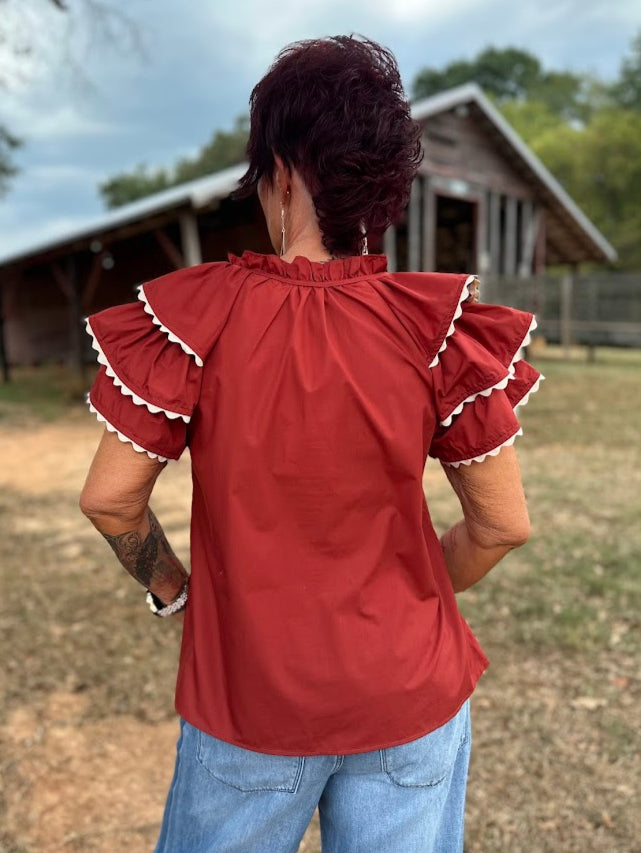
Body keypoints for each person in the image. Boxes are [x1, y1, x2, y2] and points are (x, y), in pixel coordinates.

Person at [79, 34, 543, 853]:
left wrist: (175, 592)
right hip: (413, 694)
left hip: (250, 702)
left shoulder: (196, 316)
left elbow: (112, 499)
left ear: (283, 172)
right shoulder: (435, 327)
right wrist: (403, 607)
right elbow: (501, 524)